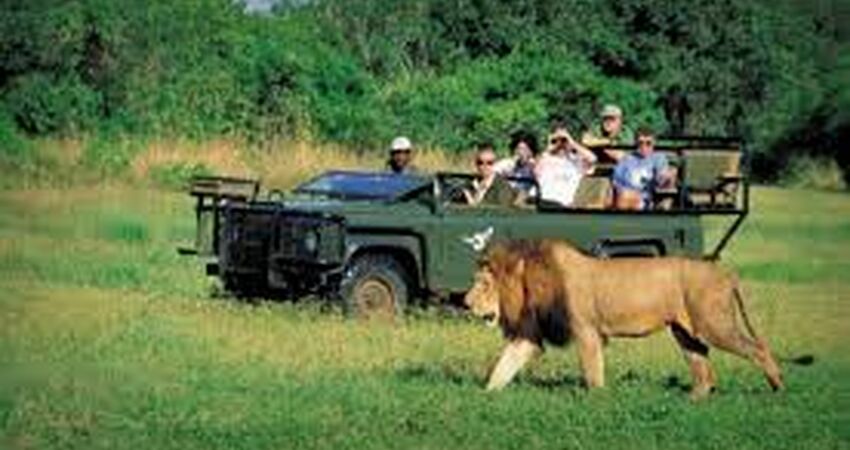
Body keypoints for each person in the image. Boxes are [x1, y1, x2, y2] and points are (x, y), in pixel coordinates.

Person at [611, 127, 676, 210]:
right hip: (626, 197)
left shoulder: (658, 158)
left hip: (648, 199)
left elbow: (662, 178)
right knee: (623, 196)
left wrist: (667, 178)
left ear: (654, 143)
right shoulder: (626, 160)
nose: (644, 146)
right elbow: (617, 183)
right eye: (640, 143)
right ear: (636, 143)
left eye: (648, 143)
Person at [535, 124, 597, 207]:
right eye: (557, 140)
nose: (560, 144)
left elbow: (593, 159)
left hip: (562, 204)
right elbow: (535, 172)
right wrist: (549, 146)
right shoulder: (546, 158)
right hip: (540, 201)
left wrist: (572, 143)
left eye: (563, 140)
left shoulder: (576, 161)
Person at [463, 143, 516, 207]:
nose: (484, 166)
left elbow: (501, 212)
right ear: (476, 164)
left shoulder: (503, 187)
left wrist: (473, 204)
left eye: (489, 163)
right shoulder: (470, 185)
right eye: (480, 163)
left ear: (495, 163)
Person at [494, 131, 538, 195]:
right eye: (519, 149)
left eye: (525, 149)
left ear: (531, 152)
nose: (521, 153)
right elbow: (493, 173)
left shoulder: (533, 167)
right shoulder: (506, 164)